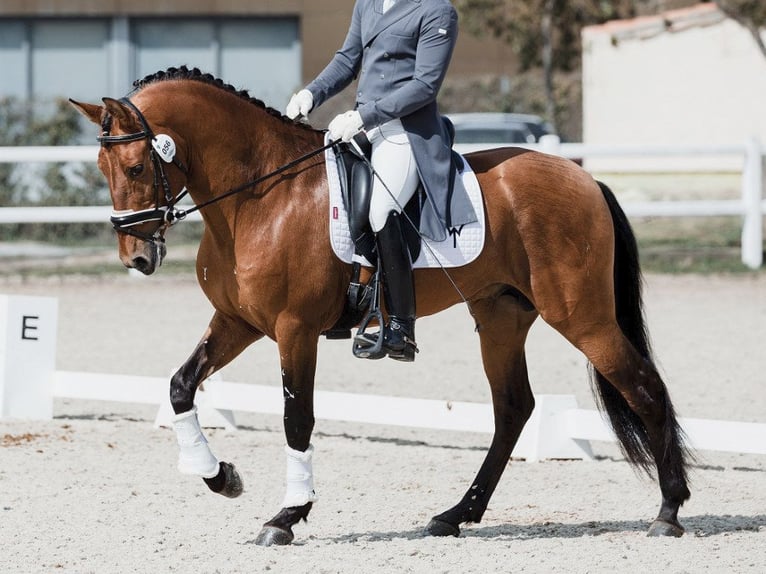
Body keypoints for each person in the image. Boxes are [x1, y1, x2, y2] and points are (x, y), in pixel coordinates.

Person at [286, 0, 476, 362]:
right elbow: (347, 60)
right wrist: (313, 92)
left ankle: (402, 326)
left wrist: (364, 116)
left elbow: (425, 85)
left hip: (405, 129)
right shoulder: (368, 3)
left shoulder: (437, 11)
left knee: (381, 210)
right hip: (363, 126)